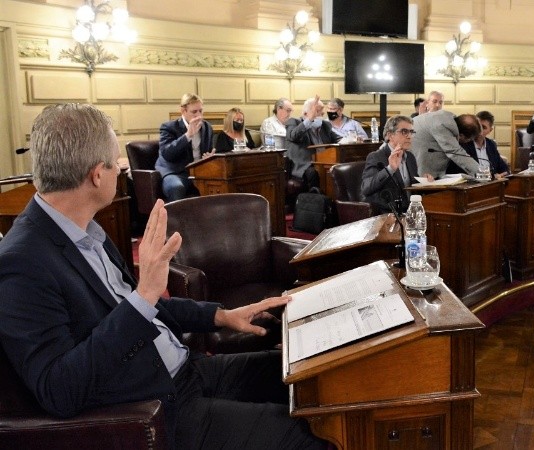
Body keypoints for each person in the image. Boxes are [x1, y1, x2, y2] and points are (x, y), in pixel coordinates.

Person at [0, 103, 327, 450]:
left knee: (312, 379)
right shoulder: (22, 262)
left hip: (186, 369)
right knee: (311, 436)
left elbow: (145, 307)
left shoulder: (87, 231)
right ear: (98, 174)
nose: (121, 170)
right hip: (154, 408)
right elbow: (59, 389)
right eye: (117, 162)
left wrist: (221, 315)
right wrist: (142, 298)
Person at [361, 115, 429, 214]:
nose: (409, 136)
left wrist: (425, 183)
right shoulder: (376, 157)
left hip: (410, 211)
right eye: (404, 132)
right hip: (387, 213)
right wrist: (390, 169)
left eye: (411, 132)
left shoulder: (410, 157)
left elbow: (412, 186)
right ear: (390, 135)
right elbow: (366, 188)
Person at [155, 93, 213, 202]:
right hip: (175, 172)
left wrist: (209, 158)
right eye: (194, 112)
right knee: (176, 187)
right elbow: (167, 154)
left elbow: (208, 152)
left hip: (199, 172)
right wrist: (188, 135)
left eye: (200, 111)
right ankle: (176, 219)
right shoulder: (169, 127)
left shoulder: (207, 127)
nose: (198, 115)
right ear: (183, 111)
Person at [285, 95, 341, 189]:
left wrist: (352, 138)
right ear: (307, 113)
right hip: (305, 166)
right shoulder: (294, 122)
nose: (322, 114)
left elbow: (339, 139)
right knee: (313, 173)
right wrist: (309, 120)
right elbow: (293, 136)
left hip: (324, 163)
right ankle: (315, 200)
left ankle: (332, 201)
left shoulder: (325, 125)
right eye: (318, 112)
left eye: (322, 113)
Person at [410, 110, 480, 179]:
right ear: (461, 135)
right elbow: (456, 153)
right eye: (468, 140)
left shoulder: (448, 118)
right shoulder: (442, 125)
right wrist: (481, 173)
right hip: (417, 167)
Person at [452, 110, 509, 179]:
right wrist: (492, 177)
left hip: (491, 185)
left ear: (490, 130)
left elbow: (505, 170)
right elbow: (462, 172)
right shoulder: (464, 143)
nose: (479, 130)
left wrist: (499, 176)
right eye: (478, 126)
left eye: (484, 127)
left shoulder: (491, 145)